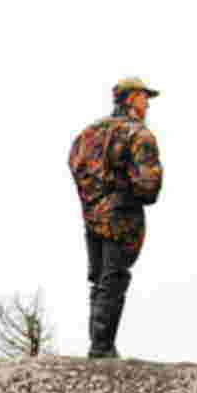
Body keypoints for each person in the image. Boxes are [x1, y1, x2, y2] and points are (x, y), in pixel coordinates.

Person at [69, 76, 164, 359]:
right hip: (122, 216)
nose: (147, 104)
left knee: (99, 279)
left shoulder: (88, 133)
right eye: (145, 97)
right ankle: (102, 346)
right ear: (133, 97)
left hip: (91, 214)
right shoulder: (139, 134)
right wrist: (128, 192)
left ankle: (98, 343)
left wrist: (93, 196)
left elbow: (74, 165)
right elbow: (149, 186)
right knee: (114, 277)